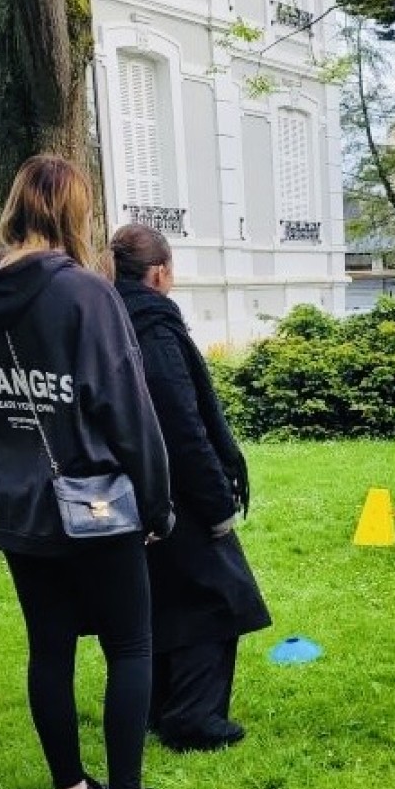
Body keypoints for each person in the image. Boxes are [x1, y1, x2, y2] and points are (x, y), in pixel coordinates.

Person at [0, 155, 199, 789]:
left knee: (49, 649)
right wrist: (157, 503)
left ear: (16, 208)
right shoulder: (87, 293)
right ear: (75, 213)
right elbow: (128, 407)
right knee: (130, 645)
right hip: (95, 503)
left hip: (15, 501)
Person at [109, 224, 272, 752]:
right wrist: (216, 501)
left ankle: (161, 708)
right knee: (218, 599)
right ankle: (194, 717)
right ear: (159, 272)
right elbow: (180, 423)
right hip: (173, 489)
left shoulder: (108, 318)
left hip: (133, 486)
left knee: (166, 596)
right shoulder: (153, 327)